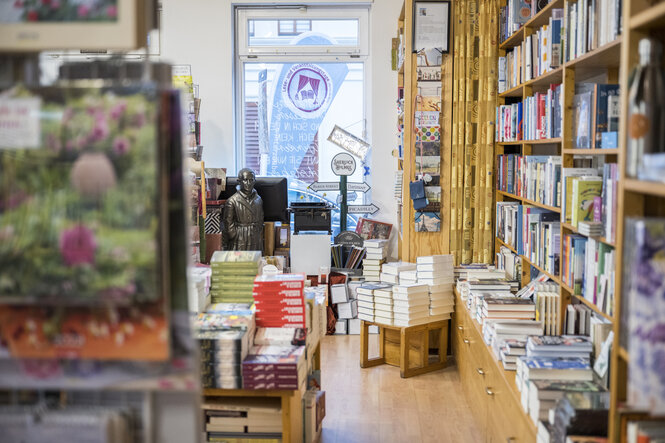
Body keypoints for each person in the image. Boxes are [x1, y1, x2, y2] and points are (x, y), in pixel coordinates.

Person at [222, 168, 264, 251]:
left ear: (254, 181)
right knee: (240, 261)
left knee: (255, 261)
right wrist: (235, 235)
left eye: (251, 180)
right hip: (240, 237)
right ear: (239, 181)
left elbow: (260, 218)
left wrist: (257, 231)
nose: (248, 183)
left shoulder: (258, 199)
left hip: (255, 236)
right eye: (245, 180)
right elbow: (228, 222)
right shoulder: (232, 201)